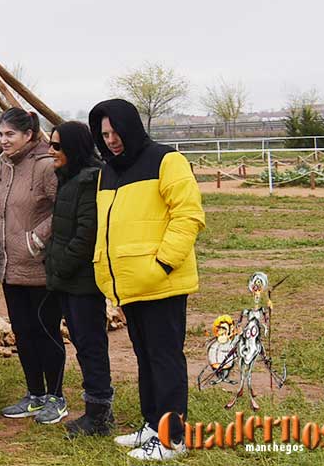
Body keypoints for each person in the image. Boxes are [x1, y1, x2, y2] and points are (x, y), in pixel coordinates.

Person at [90, 99, 204, 462]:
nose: (111, 140)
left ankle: (173, 437)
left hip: (161, 283)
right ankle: (153, 424)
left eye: (115, 131)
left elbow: (188, 216)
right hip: (129, 284)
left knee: (165, 357)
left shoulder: (166, 160)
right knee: (144, 357)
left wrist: (163, 264)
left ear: (131, 126)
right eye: (104, 134)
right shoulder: (107, 170)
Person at [0, 108, 65, 423]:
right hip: (10, 267)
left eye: (10, 134)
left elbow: (64, 207)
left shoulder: (45, 166)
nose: (3, 140)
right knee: (23, 333)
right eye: (0, 134)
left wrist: (38, 237)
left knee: (46, 332)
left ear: (29, 135)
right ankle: (34, 394)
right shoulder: (5, 167)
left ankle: (56, 397)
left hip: (39, 267)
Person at [46, 121, 114, 438]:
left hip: (82, 281)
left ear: (73, 148)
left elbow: (86, 233)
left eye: (57, 146)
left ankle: (99, 414)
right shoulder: (69, 178)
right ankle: (95, 410)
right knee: (84, 345)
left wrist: (59, 265)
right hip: (68, 279)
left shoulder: (89, 180)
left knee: (91, 346)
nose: (51, 151)